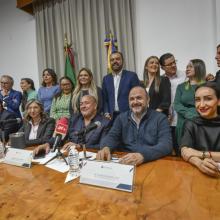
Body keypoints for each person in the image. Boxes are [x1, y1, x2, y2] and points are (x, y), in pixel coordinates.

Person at [97, 86, 172, 165]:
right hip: (126, 162)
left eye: (139, 98)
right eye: (131, 99)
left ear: (148, 100)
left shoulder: (160, 118)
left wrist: (143, 155)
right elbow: (112, 136)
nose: (135, 102)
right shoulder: (121, 118)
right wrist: (106, 147)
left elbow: (166, 145)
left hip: (150, 161)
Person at [33, 95, 110, 155]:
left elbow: (103, 146)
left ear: (95, 106)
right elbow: (59, 137)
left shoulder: (105, 122)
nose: (83, 106)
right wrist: (47, 144)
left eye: (87, 103)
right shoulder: (73, 119)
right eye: (81, 104)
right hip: (70, 157)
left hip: (93, 159)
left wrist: (80, 146)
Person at [180, 82, 220, 177]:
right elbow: (185, 151)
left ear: (218, 101)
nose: (201, 105)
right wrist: (199, 163)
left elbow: (191, 152)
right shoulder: (190, 123)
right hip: (197, 174)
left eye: (208, 99)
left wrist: (200, 153)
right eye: (197, 100)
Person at [174, 59, 206, 148]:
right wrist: (191, 115)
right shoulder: (181, 86)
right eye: (187, 67)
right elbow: (176, 104)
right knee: (183, 151)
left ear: (199, 68)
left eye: (190, 66)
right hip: (183, 122)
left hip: (201, 121)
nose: (187, 69)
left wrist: (197, 116)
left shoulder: (207, 86)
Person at [102, 51, 140, 120]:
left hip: (129, 116)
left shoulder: (132, 76)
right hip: (111, 117)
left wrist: (133, 112)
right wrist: (106, 112)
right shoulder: (106, 79)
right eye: (112, 60)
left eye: (117, 59)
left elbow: (137, 97)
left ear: (122, 61)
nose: (115, 61)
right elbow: (105, 99)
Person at [159, 53, 186, 153]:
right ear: (162, 67)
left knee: (182, 150)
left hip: (183, 120)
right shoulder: (160, 80)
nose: (174, 65)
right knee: (169, 151)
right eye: (170, 64)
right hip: (167, 121)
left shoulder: (185, 76)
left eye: (174, 62)